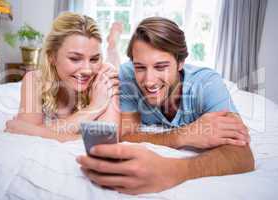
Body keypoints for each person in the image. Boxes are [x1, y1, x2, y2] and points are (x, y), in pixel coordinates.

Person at [77, 17, 254, 195]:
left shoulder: (207, 83)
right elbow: (126, 135)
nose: (149, 81)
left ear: (181, 62)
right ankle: (112, 44)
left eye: (161, 67)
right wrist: (182, 136)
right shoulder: (128, 74)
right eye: (140, 67)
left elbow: (242, 155)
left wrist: (174, 170)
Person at [4, 12, 120, 142]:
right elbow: (24, 139)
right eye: (75, 59)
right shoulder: (35, 79)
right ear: (52, 56)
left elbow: (104, 140)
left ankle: (113, 44)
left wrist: (35, 131)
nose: (87, 70)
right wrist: (93, 108)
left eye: (94, 59)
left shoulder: (106, 76)